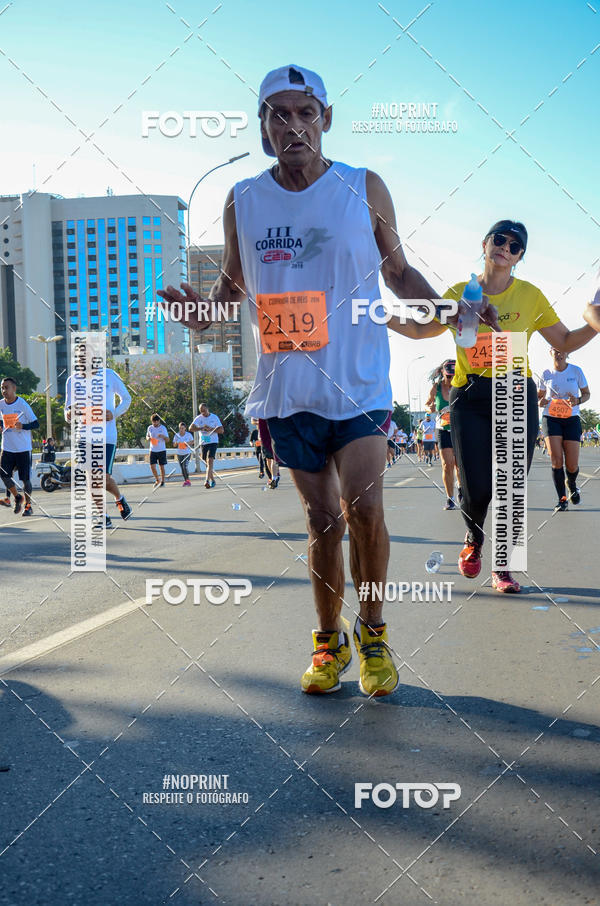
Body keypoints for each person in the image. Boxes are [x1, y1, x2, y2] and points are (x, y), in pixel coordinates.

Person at [157, 64, 486, 695]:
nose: (293, 126)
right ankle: (328, 643)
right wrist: (202, 317)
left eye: (305, 113)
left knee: (365, 508)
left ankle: (374, 634)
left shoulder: (363, 186)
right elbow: (230, 291)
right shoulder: (243, 198)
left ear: (326, 119)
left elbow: (398, 273)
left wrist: (448, 310)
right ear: (262, 127)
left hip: (359, 382)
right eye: (278, 115)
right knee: (323, 524)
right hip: (287, 390)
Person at [389, 219, 596, 593]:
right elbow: (421, 330)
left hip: (516, 392)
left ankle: (504, 567)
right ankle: (474, 537)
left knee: (512, 486)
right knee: (477, 487)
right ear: (484, 244)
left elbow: (565, 339)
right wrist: (376, 315)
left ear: (519, 257)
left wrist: (595, 323)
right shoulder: (459, 293)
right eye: (499, 239)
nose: (505, 247)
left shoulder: (530, 296)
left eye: (515, 246)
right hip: (469, 396)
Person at [64, 365, 132, 527]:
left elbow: (127, 398)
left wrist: (114, 413)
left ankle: (119, 498)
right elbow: (67, 410)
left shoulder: (109, 375)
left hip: (107, 437)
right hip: (84, 437)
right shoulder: (72, 381)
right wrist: (69, 414)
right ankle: (103, 516)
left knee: (103, 478)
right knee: (92, 477)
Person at [538, 348, 590, 511]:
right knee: (556, 460)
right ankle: (562, 500)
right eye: (555, 350)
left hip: (571, 419)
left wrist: (578, 400)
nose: (558, 353)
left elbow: (587, 393)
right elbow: (539, 396)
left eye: (562, 351)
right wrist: (540, 402)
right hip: (550, 418)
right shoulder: (546, 373)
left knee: (572, 465)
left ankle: (571, 483)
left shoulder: (576, 371)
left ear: (567, 353)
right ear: (550, 352)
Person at [0, 376, 39, 516]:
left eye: (6, 388)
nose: (4, 391)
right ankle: (17, 497)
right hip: (7, 448)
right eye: (2, 388)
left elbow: (36, 423)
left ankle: (28, 506)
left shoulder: (22, 404)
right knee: (3, 474)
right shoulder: (1, 404)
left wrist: (23, 426)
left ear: (14, 388)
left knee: (25, 480)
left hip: (23, 448)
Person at [425, 359, 460, 509]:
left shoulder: (461, 385)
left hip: (459, 429)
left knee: (459, 465)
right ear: (443, 373)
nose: (451, 379)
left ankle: (461, 489)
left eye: (454, 376)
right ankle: (450, 498)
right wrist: (430, 409)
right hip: (443, 429)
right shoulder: (436, 387)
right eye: (449, 376)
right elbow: (427, 404)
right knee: (447, 464)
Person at [190, 403, 223, 489]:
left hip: (213, 441)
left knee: (210, 460)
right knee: (207, 463)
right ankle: (213, 480)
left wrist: (211, 429)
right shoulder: (199, 418)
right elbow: (191, 428)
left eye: (204, 411)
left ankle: (206, 480)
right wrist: (201, 428)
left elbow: (221, 430)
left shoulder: (214, 417)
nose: (203, 413)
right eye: (201, 411)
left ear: (207, 409)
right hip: (204, 442)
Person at [146, 414, 169, 488]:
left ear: (159, 421)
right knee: (152, 466)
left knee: (161, 466)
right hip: (152, 449)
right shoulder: (150, 428)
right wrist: (148, 438)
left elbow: (168, 440)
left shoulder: (163, 428)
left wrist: (163, 436)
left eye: (156, 422)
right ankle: (157, 480)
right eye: (153, 422)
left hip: (161, 449)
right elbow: (147, 436)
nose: (155, 423)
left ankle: (163, 481)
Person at [173, 422, 193, 486]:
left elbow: (192, 442)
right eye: (180, 428)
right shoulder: (176, 435)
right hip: (179, 454)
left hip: (187, 453)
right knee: (182, 467)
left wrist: (186, 443)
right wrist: (176, 443)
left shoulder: (188, 435)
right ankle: (186, 480)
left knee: (185, 466)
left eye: (182, 428)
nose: (181, 430)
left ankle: (188, 480)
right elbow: (174, 445)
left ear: (185, 428)